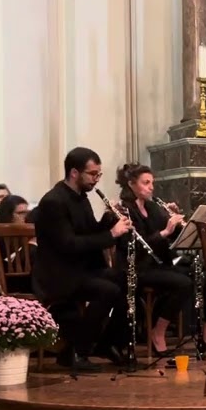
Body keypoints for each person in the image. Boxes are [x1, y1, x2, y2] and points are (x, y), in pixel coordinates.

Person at [32, 147, 132, 372]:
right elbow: (68, 245)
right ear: (75, 173)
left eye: (99, 174)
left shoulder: (81, 198)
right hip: (59, 274)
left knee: (129, 281)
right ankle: (77, 349)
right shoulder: (53, 202)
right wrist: (111, 235)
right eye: (93, 174)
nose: (96, 179)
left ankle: (107, 343)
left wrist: (109, 219)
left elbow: (89, 232)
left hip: (81, 269)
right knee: (108, 291)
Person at [115, 163, 193, 359]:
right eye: (146, 183)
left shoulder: (151, 206)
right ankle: (157, 330)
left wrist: (173, 220)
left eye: (152, 183)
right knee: (182, 283)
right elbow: (136, 244)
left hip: (157, 264)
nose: (151, 187)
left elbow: (166, 238)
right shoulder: (125, 209)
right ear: (131, 184)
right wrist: (166, 230)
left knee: (191, 275)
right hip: (137, 267)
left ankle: (156, 325)